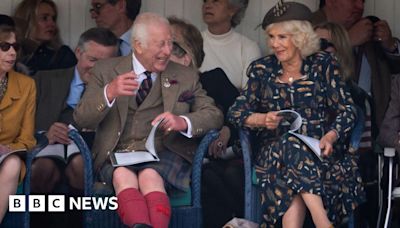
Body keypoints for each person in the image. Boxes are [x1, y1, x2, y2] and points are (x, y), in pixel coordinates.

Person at [73, 12, 223, 228]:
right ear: (138, 45)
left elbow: (213, 114)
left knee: (150, 176)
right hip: (116, 153)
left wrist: (183, 121)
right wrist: (110, 92)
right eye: (160, 45)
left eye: (170, 43)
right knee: (123, 176)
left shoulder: (185, 75)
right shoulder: (105, 71)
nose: (167, 51)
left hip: (165, 152)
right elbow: (81, 118)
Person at [227, 1, 365, 227]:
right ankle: (323, 221)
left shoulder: (323, 65)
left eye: (282, 37)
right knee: (290, 146)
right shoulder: (262, 70)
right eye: (271, 37)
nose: (274, 44)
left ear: (300, 37)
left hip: (319, 150)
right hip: (274, 152)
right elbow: (236, 112)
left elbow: (348, 110)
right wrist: (262, 119)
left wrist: (331, 136)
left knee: (292, 171)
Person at [168, 16, 243, 227]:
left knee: (226, 175)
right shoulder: (159, 86)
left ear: (188, 54)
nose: (163, 49)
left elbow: (241, 115)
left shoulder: (213, 79)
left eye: (171, 43)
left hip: (221, 158)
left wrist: (227, 131)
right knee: (205, 178)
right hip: (184, 160)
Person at [31, 27, 118, 194]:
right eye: (92, 60)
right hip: (47, 149)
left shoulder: (116, 90)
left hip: (91, 154)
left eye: (105, 63)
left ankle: (82, 221)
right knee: (42, 169)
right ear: (78, 52)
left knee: (80, 166)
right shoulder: (43, 80)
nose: (97, 69)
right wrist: (44, 135)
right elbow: (22, 124)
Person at [311, 0, 400, 134]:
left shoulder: (370, 28)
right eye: (353, 0)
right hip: (322, 131)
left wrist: (390, 45)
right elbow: (299, 71)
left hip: (370, 130)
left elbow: (394, 73)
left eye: (362, 1)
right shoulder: (304, 26)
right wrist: (347, 41)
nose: (360, 6)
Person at [0, 23, 36, 223]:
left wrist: (6, 149)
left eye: (15, 47)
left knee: (13, 164)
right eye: (4, 47)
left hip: (5, 158)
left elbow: (27, 140)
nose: (12, 52)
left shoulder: (27, 85)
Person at [200, 0, 261, 89]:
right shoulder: (191, 42)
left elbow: (249, 95)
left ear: (232, 10)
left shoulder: (248, 47)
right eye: (205, 1)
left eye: (216, 1)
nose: (207, 6)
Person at [13, 0, 77, 75]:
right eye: (44, 18)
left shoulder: (63, 54)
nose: (52, 24)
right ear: (28, 20)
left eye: (53, 19)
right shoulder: (10, 52)